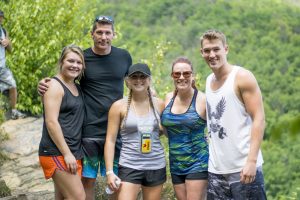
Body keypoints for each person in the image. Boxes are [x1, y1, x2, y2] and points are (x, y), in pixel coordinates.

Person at [38, 16, 132, 200]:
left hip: (116, 131)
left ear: (114, 34)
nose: (103, 36)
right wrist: (43, 84)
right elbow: (63, 80)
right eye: (99, 32)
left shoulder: (124, 56)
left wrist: (150, 93)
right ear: (92, 34)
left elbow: (134, 83)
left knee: (115, 181)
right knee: (86, 182)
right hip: (87, 133)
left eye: (107, 32)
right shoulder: (83, 58)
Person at [200, 29, 267, 199]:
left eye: (216, 49)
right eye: (207, 50)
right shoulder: (208, 81)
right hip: (216, 170)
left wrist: (251, 161)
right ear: (202, 53)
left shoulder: (242, 77)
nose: (212, 54)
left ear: (226, 49)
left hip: (243, 168)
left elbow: (259, 118)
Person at [104, 63, 166, 200]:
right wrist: (109, 172)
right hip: (129, 165)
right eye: (134, 77)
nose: (139, 80)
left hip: (156, 164)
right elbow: (110, 140)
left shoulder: (160, 104)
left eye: (143, 76)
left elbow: (167, 132)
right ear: (128, 81)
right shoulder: (118, 106)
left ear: (149, 80)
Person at [38, 45, 86, 200]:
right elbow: (51, 122)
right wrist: (67, 154)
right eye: (70, 61)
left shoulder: (76, 86)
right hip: (57, 152)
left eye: (79, 62)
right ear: (61, 62)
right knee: (78, 197)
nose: (75, 65)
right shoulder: (53, 86)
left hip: (73, 151)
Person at [161, 57, 209, 200]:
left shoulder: (203, 100)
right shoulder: (168, 98)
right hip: (176, 163)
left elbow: (219, 125)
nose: (182, 77)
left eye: (186, 73)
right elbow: (166, 128)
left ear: (192, 75)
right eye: (177, 74)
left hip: (198, 162)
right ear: (172, 76)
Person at [0, 10, 26, 120]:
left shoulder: (3, 30)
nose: (0, 19)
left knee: (13, 85)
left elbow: (10, 50)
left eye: (1, 17)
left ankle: (14, 111)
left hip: (2, 67)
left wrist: (7, 42)